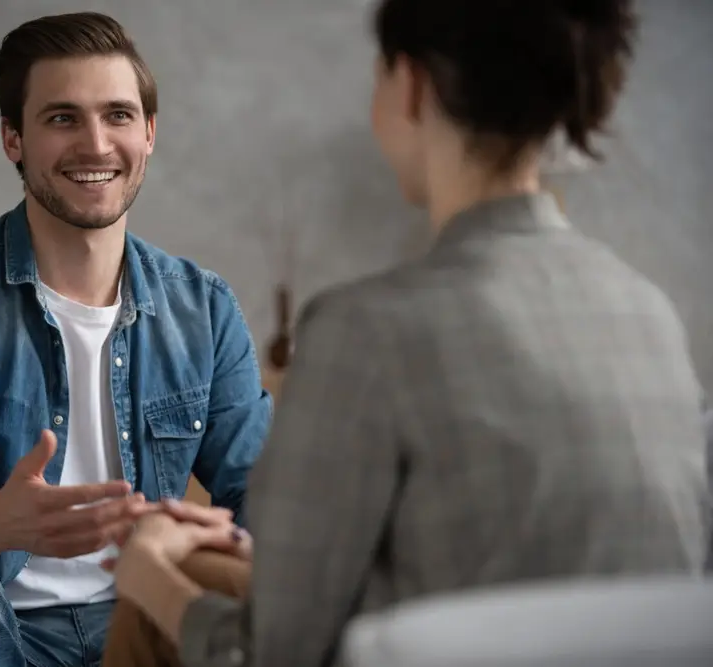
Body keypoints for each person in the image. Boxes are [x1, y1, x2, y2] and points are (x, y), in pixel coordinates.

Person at [102, 1, 712, 665]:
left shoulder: (361, 333)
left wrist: (150, 578)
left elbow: (271, 654)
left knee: (155, 600)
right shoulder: (648, 313)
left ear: (413, 86)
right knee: (216, 568)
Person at [0, 12, 271, 667]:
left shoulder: (204, 307)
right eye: (63, 118)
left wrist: (186, 540)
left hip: (134, 620)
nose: (96, 144)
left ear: (150, 133)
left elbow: (260, 494)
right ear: (13, 138)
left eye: (119, 115)